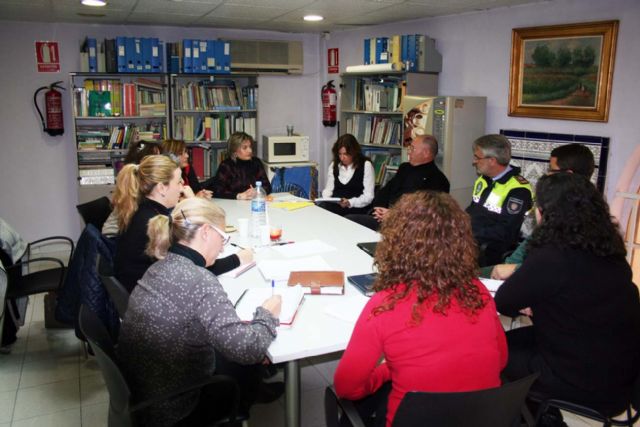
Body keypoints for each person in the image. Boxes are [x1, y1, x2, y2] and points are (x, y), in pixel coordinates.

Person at [334, 191, 507, 427]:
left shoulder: (386, 304)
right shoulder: (478, 291)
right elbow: (501, 361)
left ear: (396, 242)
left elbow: (347, 388)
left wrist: (387, 371)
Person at [117, 197, 282, 427]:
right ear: (205, 232)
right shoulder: (199, 279)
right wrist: (267, 314)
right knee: (247, 360)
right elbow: (247, 349)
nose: (224, 246)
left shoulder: (159, 266)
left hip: (148, 392)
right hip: (178, 407)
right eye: (223, 237)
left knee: (234, 349)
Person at [495, 173, 640, 426]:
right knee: (510, 341)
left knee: (493, 352)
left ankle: (537, 419)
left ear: (543, 213)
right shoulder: (610, 251)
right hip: (620, 373)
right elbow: (576, 298)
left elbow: (504, 301)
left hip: (581, 380)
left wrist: (532, 300)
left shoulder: (552, 255)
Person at [112, 155, 252, 292]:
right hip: (153, 301)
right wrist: (238, 258)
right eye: (179, 182)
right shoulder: (155, 224)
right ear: (161, 188)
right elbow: (194, 269)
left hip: (144, 294)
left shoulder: (145, 210)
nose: (182, 188)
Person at [481, 143, 596, 279]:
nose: (547, 174)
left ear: (568, 175)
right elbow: (516, 259)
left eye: (552, 170)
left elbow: (557, 268)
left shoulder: (573, 222)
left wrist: (514, 269)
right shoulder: (593, 212)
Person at [345, 135, 450, 231]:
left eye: (412, 148)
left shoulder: (438, 180)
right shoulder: (405, 168)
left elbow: (425, 214)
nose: (409, 152)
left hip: (408, 227)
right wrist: (379, 210)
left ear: (426, 153)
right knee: (348, 221)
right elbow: (385, 191)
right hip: (384, 217)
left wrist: (394, 215)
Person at [466, 134, 533, 267]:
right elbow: (473, 211)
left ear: (492, 160)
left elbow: (505, 231)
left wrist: (469, 232)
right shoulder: (484, 180)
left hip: (491, 249)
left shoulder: (518, 189)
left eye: (477, 158)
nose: (474, 161)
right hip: (471, 241)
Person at [319, 134, 375, 216]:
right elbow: (329, 190)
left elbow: (368, 196)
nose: (342, 158)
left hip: (356, 208)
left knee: (344, 217)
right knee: (319, 209)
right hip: (336, 206)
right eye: (340, 154)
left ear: (354, 152)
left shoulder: (366, 165)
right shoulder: (334, 165)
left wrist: (349, 202)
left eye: (346, 154)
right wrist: (325, 198)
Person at [209, 132, 271, 199]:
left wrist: (257, 191)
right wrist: (239, 196)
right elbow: (217, 191)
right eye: (245, 148)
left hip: (253, 202)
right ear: (234, 151)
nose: (250, 150)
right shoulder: (226, 165)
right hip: (232, 205)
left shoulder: (256, 162)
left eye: (250, 147)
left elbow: (267, 186)